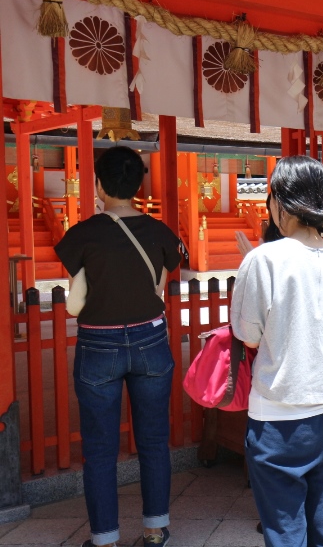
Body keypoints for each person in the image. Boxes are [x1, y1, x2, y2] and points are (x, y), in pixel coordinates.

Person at [231, 155, 323, 547]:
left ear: (279, 204)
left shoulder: (262, 259)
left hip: (276, 420)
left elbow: (247, 335)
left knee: (285, 530)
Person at [54, 146, 181, 547]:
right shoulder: (160, 231)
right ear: (138, 185)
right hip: (151, 340)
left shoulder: (83, 233)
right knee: (154, 442)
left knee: (100, 448)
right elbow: (168, 275)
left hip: (99, 345)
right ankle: (155, 530)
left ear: (99, 184)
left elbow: (78, 293)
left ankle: (105, 538)